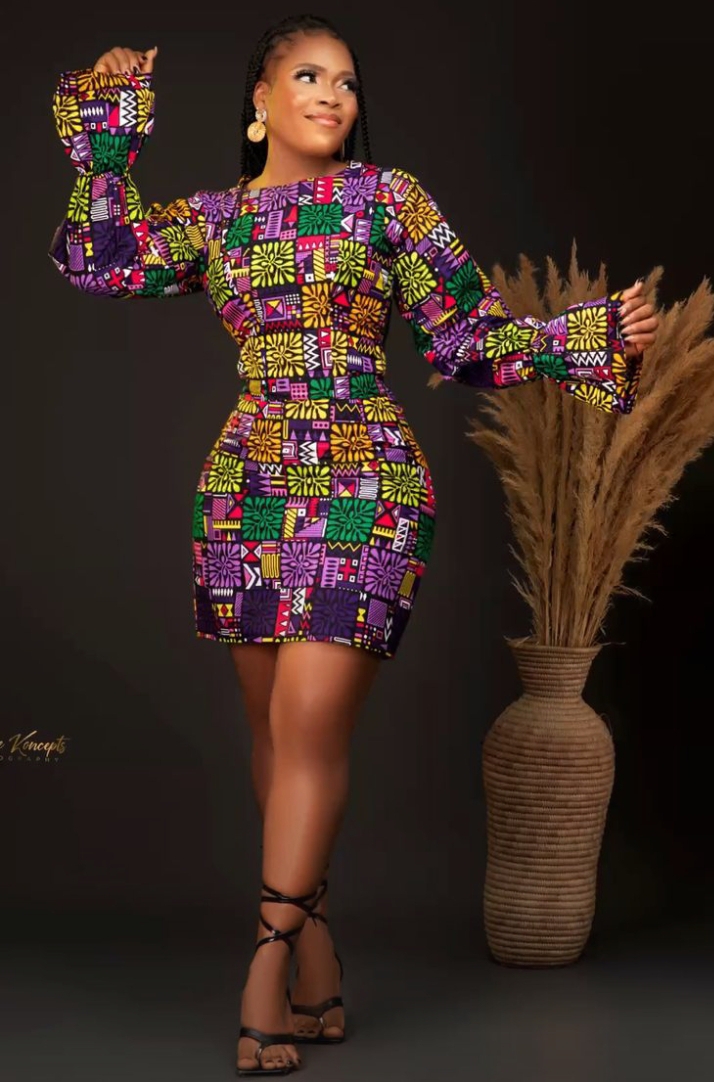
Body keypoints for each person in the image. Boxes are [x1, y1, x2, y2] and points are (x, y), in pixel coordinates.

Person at [48, 13, 659, 1076]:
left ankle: (266, 959)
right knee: (273, 734)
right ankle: (319, 947)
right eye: (308, 75)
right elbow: (98, 262)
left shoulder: (389, 198)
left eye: (346, 80)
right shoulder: (218, 220)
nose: (334, 94)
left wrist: (586, 336)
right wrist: (109, 125)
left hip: (364, 479)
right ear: (260, 102)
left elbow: (464, 336)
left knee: (309, 725)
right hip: (246, 485)